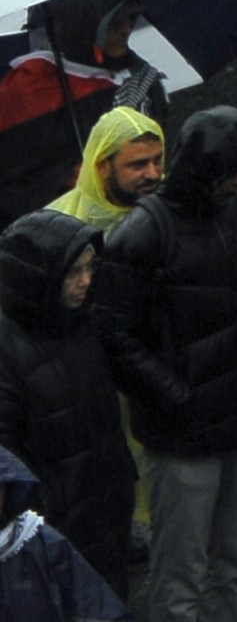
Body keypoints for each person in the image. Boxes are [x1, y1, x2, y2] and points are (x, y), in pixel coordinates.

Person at [95, 104, 237, 622]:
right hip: (183, 439)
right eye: (228, 173)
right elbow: (114, 338)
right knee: (180, 580)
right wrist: (177, 397)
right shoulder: (142, 235)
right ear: (198, 168)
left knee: (234, 566)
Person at [0, 210, 127, 594]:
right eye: (73, 272)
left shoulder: (83, 323)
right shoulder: (7, 352)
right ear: (40, 276)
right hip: (54, 526)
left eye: (90, 267)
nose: (86, 281)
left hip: (102, 513)